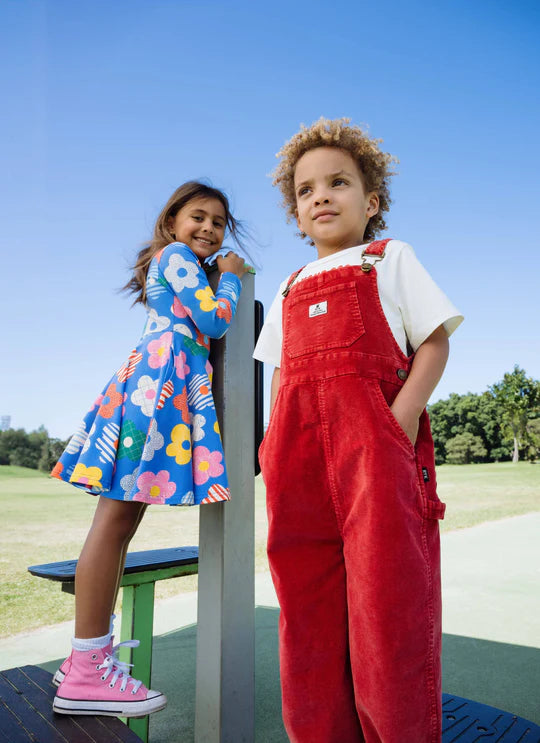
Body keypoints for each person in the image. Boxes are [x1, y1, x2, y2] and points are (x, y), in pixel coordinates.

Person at [254, 118, 463, 743]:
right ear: (296, 213)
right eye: (306, 189)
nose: (321, 196)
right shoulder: (290, 285)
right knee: (306, 610)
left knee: (386, 606)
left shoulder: (389, 259)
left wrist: (396, 426)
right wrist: (270, 441)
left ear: (371, 202)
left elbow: (433, 344)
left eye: (338, 183)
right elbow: (284, 375)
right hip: (297, 467)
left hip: (376, 458)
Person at [50, 181, 249, 718]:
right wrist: (230, 279)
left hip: (158, 388)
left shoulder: (180, 261)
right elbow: (213, 320)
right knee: (113, 524)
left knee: (119, 526)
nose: (208, 228)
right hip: (154, 391)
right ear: (172, 222)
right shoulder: (176, 255)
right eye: (198, 217)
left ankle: (85, 661)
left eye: (218, 222)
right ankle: (87, 669)